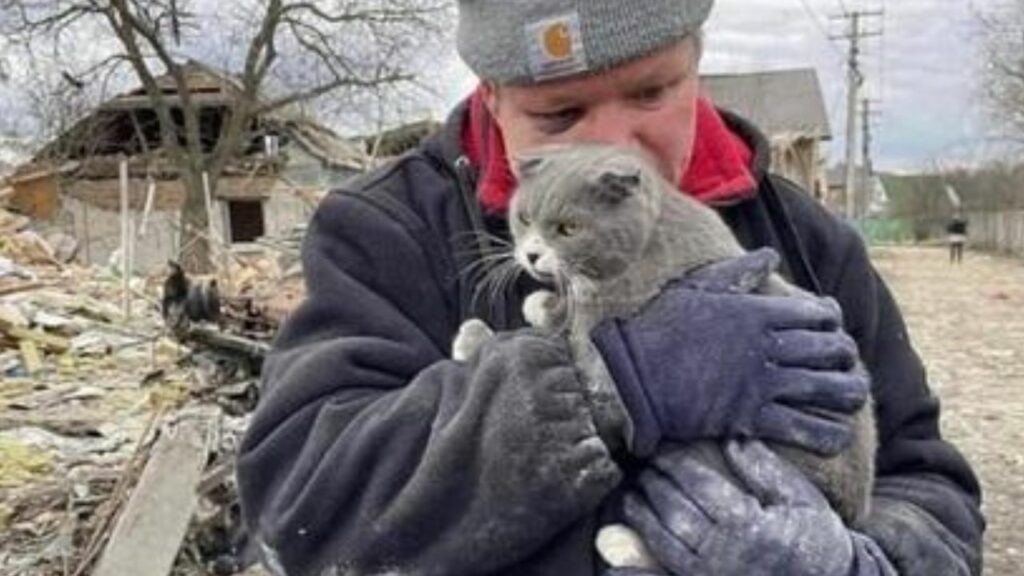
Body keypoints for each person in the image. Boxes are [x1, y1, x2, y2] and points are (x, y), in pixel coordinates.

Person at [236, 1, 985, 575]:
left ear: (696, 58)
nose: (614, 147)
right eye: (559, 112)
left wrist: (852, 563)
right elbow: (302, 505)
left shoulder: (806, 243)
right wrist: (604, 384)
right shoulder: (389, 234)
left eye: (654, 91)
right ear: (492, 96)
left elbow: (932, 495)